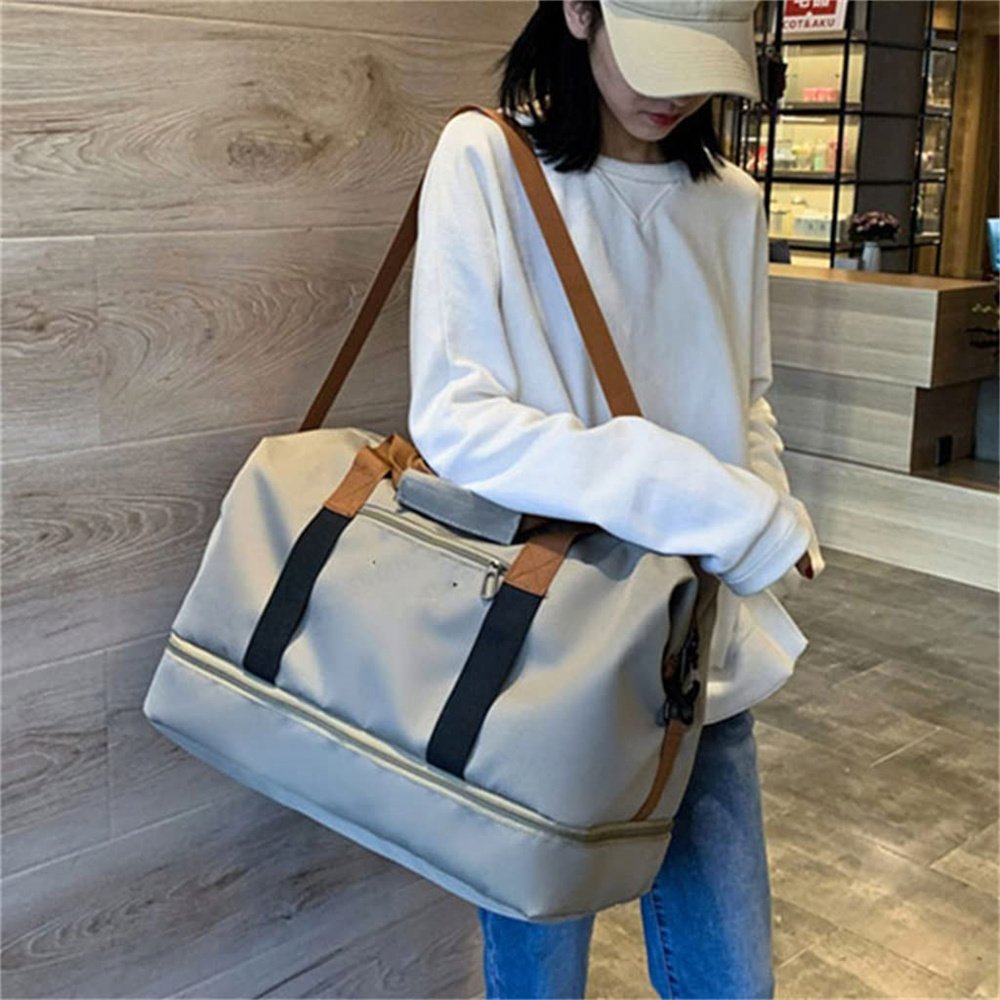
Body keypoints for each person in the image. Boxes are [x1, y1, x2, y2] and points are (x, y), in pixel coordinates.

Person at [406, 1, 826, 996]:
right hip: (539, 651)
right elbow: (458, 419)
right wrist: (714, 502)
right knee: (539, 977)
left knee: (732, 981)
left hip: (694, 651)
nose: (674, 91)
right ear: (580, 11)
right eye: (654, 54)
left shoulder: (731, 202)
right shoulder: (487, 161)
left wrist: (767, 497)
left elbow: (745, 399)